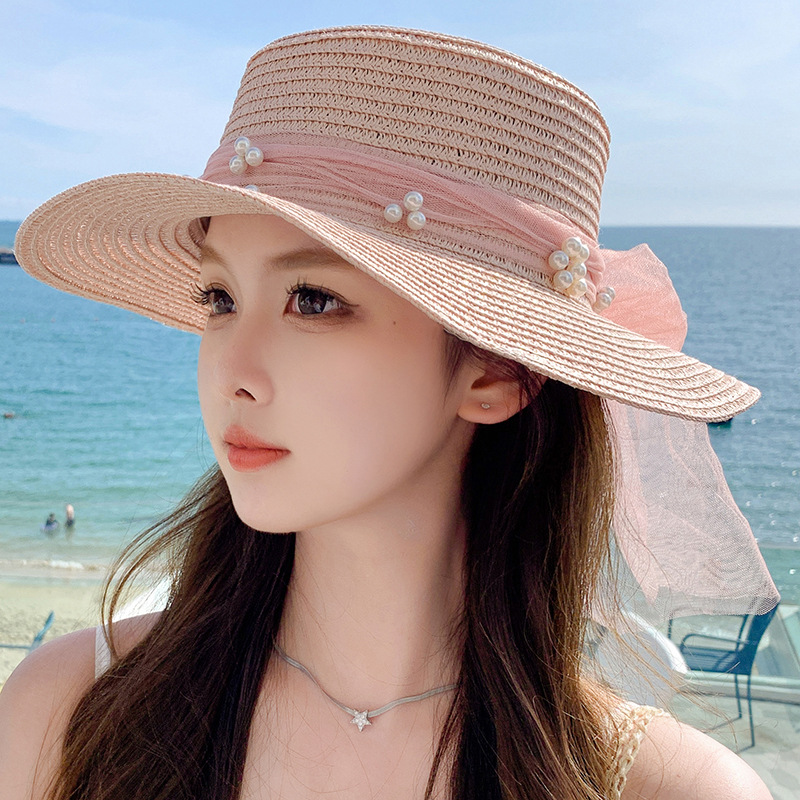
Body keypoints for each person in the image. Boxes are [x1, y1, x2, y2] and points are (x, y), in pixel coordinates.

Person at [0, 25, 777, 800]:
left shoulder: (666, 790)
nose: (232, 374)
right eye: (220, 298)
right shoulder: (64, 713)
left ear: (497, 372)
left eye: (313, 300)